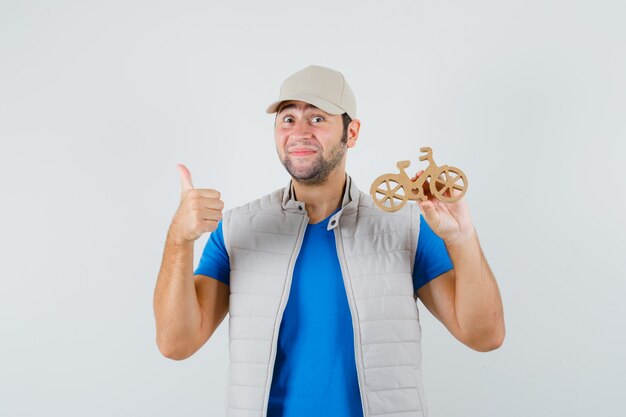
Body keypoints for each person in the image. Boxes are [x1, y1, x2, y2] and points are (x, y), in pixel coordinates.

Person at [153, 64, 505, 417]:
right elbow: (175, 344)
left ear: (351, 133)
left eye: (318, 119)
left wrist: (462, 237)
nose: (299, 132)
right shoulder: (236, 230)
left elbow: (484, 336)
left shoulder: (406, 227)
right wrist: (179, 239)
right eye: (288, 119)